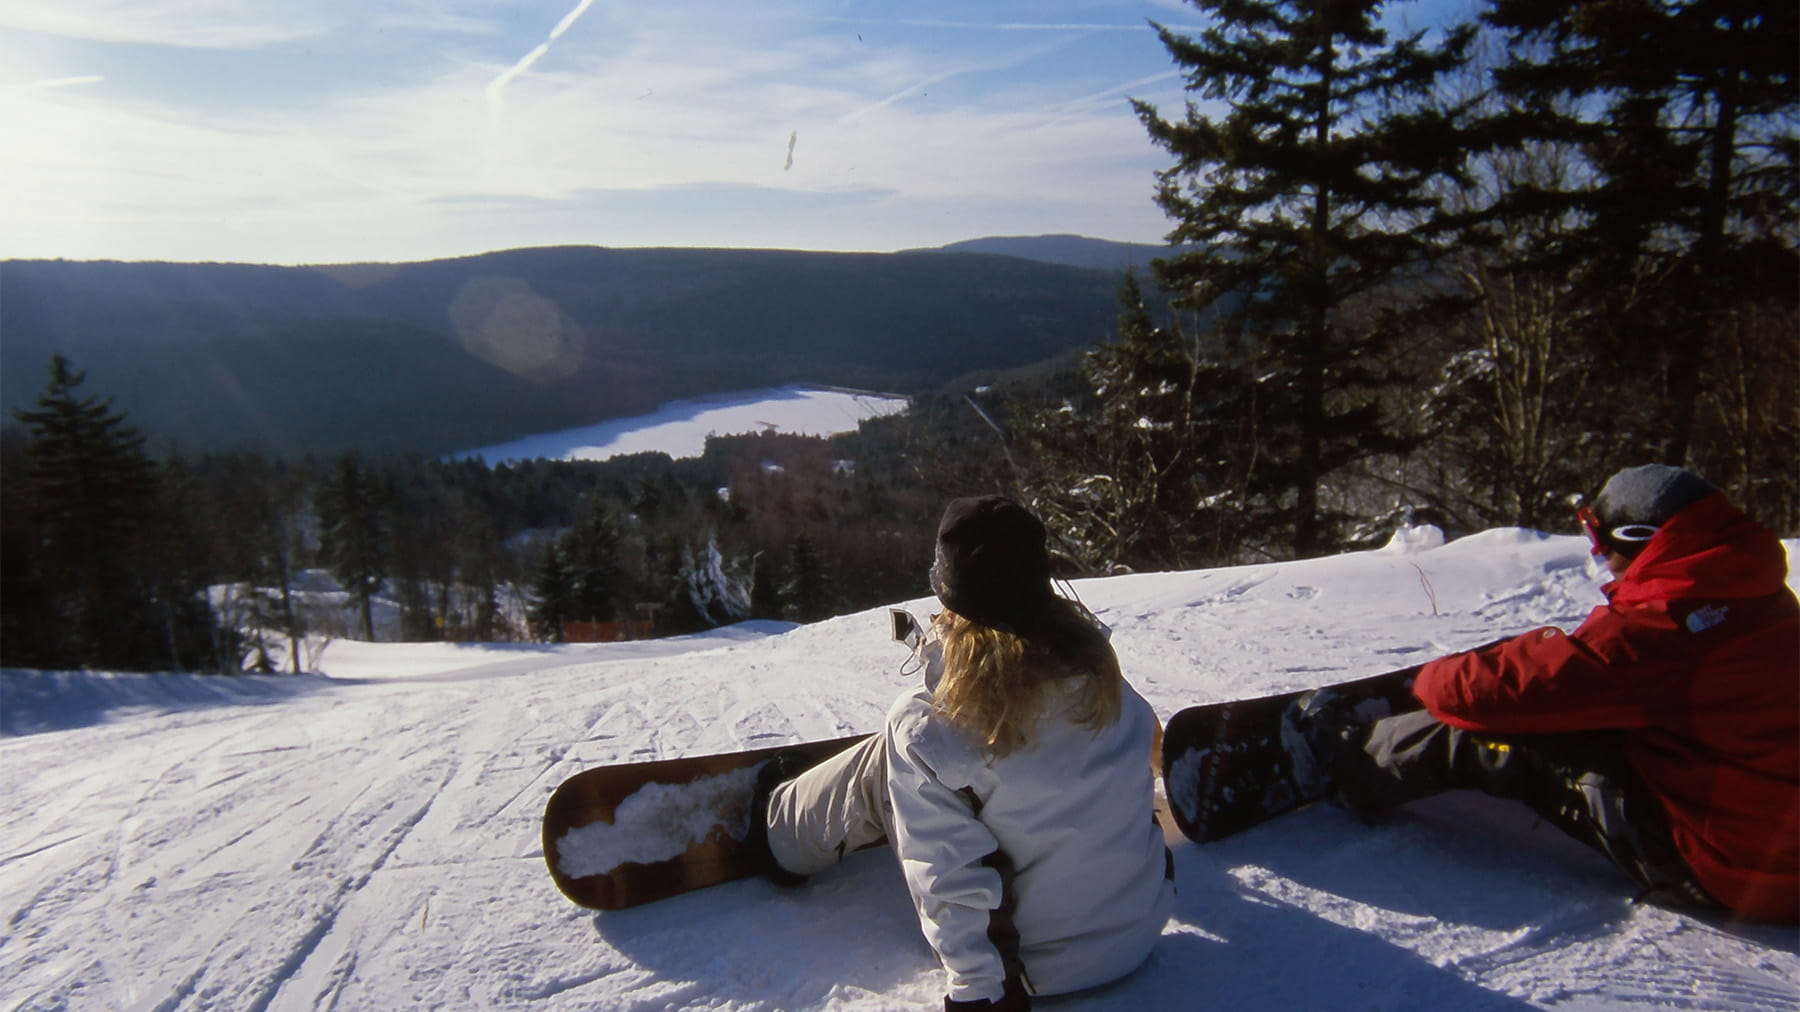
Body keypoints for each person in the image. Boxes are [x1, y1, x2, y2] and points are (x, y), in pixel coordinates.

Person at [1295, 464, 1798, 921]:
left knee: (1504, 734)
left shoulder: (1661, 627)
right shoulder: (1759, 598)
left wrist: (1423, 681)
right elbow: (1592, 672)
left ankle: (1340, 760)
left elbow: (1500, 692)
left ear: (1643, 537)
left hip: (1731, 871)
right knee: (1557, 695)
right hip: (1772, 852)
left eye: (1599, 540)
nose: (1600, 557)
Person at [747, 495, 1175, 1010]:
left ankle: (779, 835)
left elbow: (948, 876)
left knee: (898, 749)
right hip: (1137, 937)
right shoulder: (1109, 687)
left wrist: (982, 994)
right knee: (925, 751)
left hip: (1032, 972)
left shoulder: (933, 727)